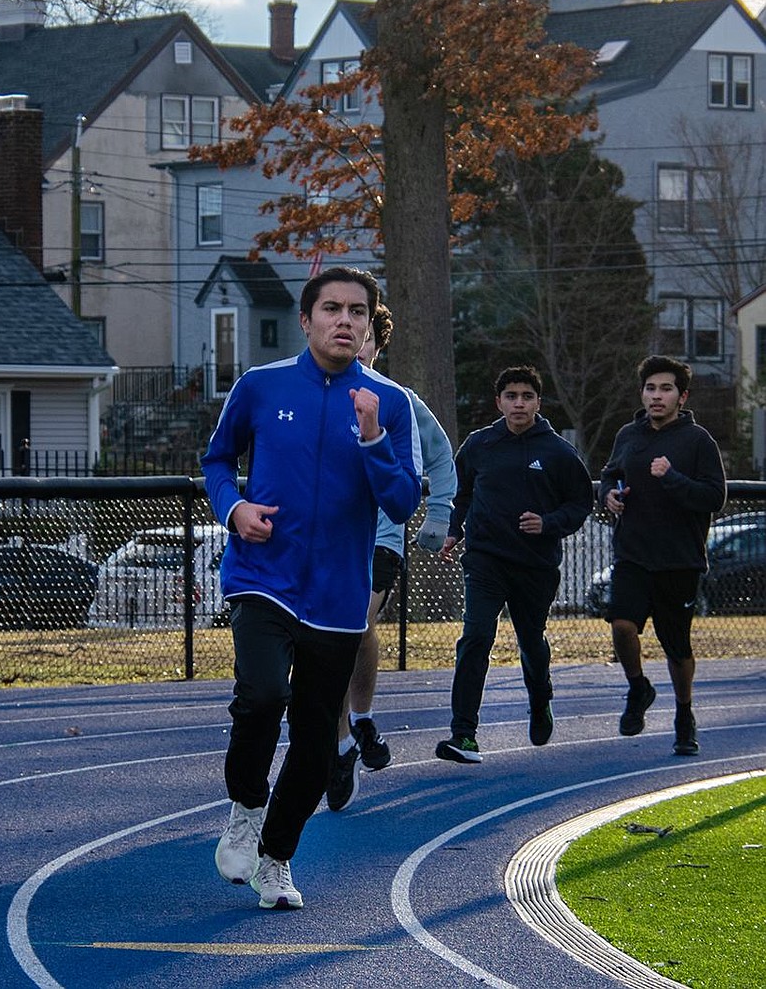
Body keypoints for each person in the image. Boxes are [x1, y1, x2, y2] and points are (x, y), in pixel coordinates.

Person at [202, 265, 423, 910]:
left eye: (357, 311)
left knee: (315, 734)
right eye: (331, 309)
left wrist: (375, 437)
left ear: (369, 323)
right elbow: (218, 461)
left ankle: (276, 859)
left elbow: (404, 502)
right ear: (306, 320)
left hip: (337, 593)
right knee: (264, 693)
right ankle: (246, 805)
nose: (344, 321)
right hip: (263, 575)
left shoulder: (390, 404)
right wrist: (232, 509)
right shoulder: (260, 387)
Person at [326, 304, 456, 811]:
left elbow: (442, 455)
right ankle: (345, 738)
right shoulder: (313, 393)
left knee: (353, 627)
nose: (355, 347)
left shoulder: (398, 400)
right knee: (338, 635)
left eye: (366, 341)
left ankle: (356, 720)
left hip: (380, 537)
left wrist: (439, 517)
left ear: (376, 346)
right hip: (327, 540)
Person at [433, 366, 593, 764]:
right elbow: (460, 493)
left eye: (526, 396)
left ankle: (541, 697)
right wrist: (453, 530)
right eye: (511, 396)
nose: (518, 403)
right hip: (486, 559)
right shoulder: (480, 444)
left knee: (531, 642)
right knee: (475, 637)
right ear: (498, 402)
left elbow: (579, 504)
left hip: (535, 565)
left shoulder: (557, 452)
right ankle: (463, 734)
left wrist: (548, 523)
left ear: (538, 402)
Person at [598, 355, 726, 755]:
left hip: (678, 560)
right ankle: (638, 688)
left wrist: (672, 477)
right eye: (651, 388)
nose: (657, 396)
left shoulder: (698, 441)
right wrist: (609, 495)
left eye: (666, 389)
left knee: (677, 648)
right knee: (621, 625)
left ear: (681, 396)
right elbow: (609, 474)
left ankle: (684, 716)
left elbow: (714, 497)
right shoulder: (628, 436)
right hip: (633, 553)